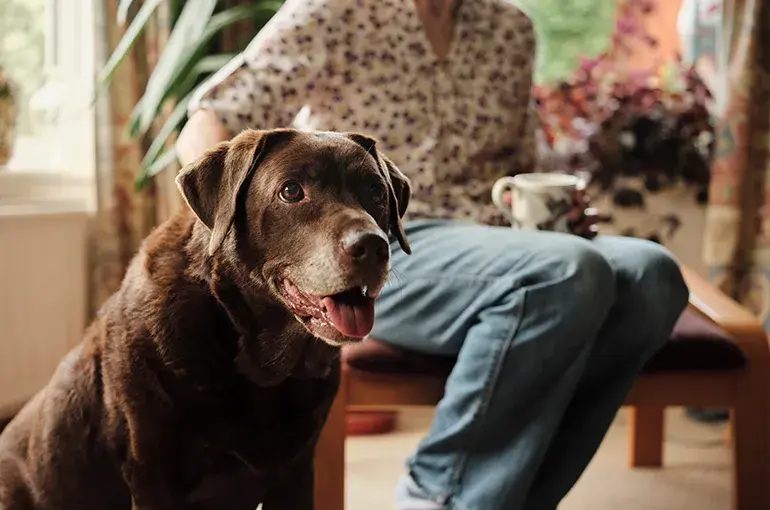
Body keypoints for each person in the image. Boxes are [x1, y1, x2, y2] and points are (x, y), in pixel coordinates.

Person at [176, 0, 690, 508]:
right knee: (565, 272)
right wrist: (226, 220)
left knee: (652, 275)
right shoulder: (334, 11)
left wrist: (559, 212)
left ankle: (496, 499)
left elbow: (521, 163)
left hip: (499, 245)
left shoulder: (511, 30)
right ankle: (441, 496)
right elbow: (213, 116)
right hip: (382, 245)